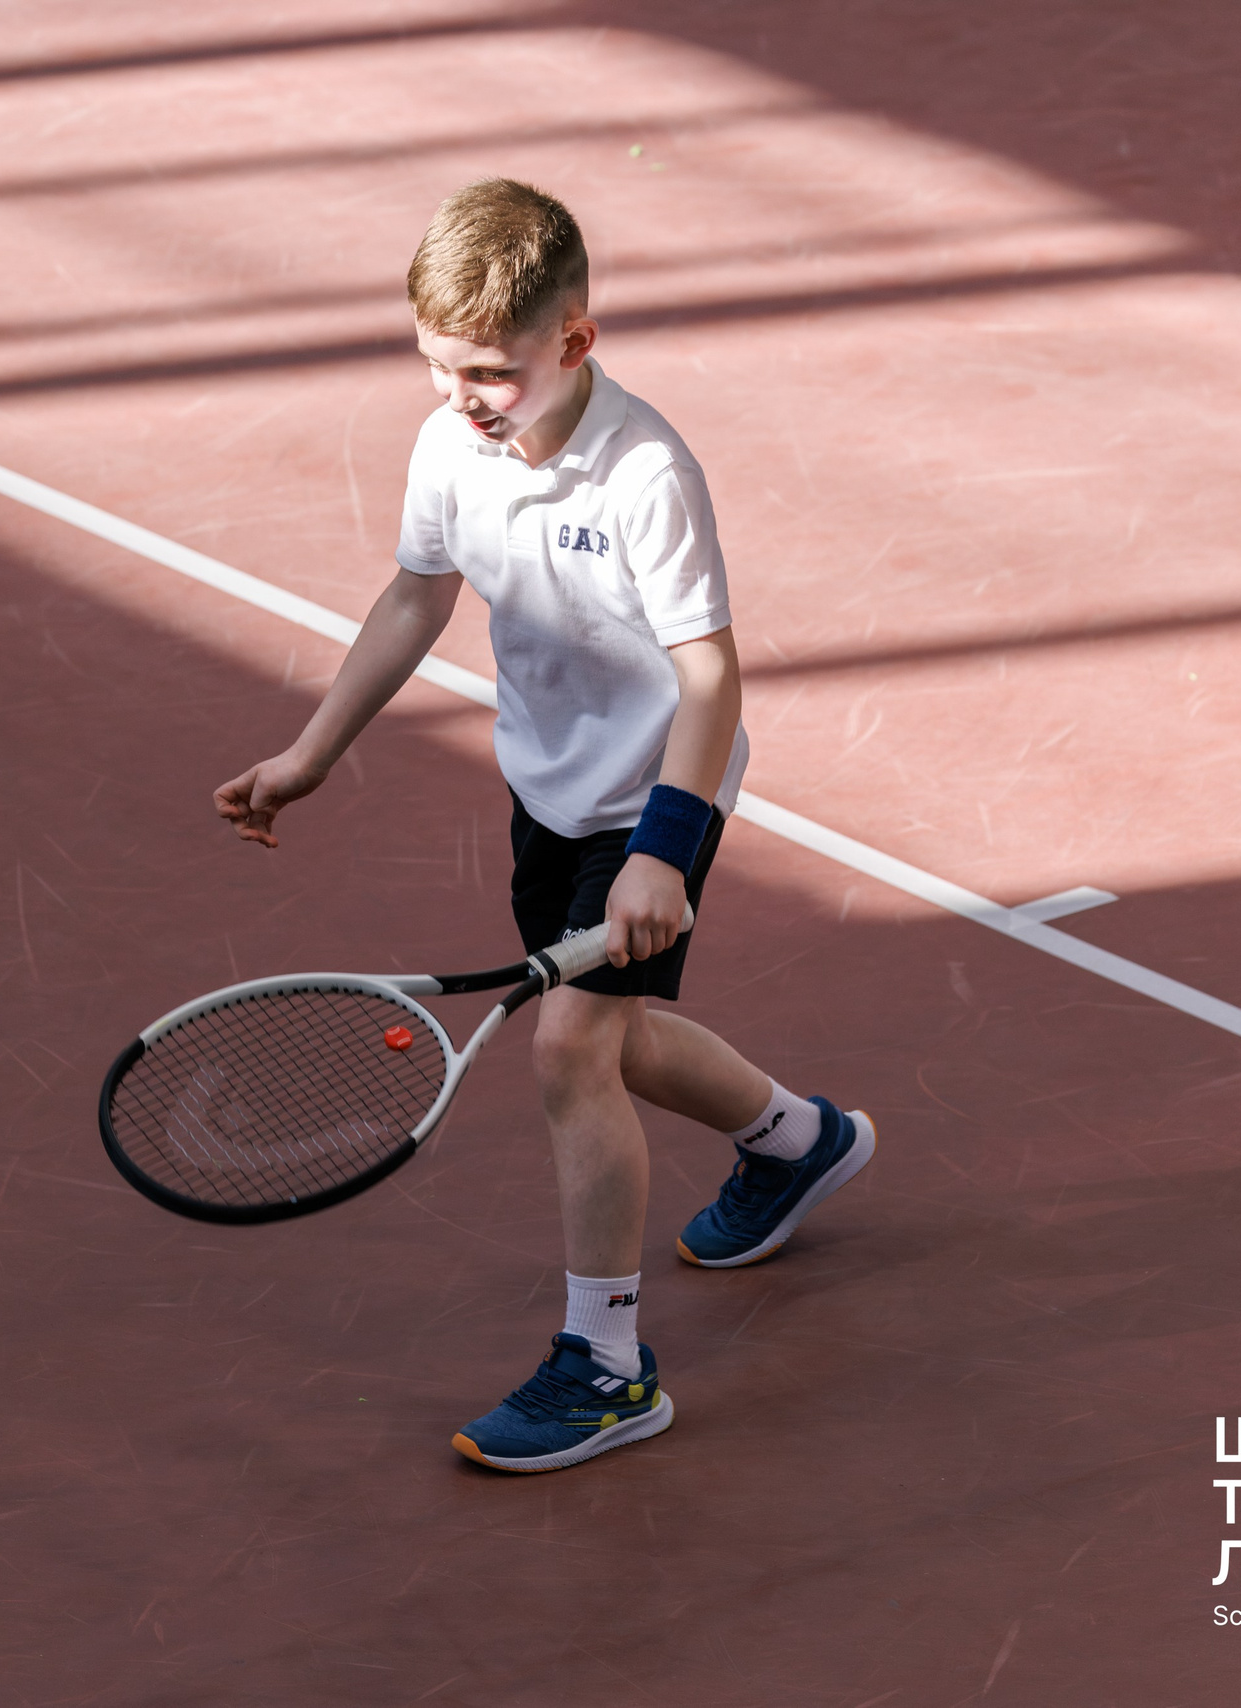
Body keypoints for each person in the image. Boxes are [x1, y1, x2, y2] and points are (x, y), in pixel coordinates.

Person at [214, 178, 875, 1472]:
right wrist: (310, 752)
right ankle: (798, 1142)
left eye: (491, 370)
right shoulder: (447, 447)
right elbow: (415, 601)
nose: (463, 392)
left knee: (569, 1053)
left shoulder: (645, 473)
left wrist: (666, 851)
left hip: (648, 795)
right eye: (438, 364)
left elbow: (711, 675)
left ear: (574, 340)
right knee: (617, 1044)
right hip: (548, 790)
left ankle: (608, 1367)